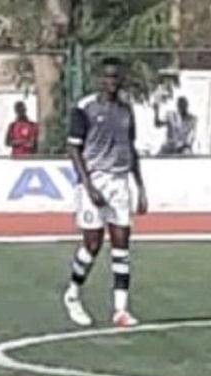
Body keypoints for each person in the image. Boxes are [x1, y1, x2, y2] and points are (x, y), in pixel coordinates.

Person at [62, 57, 148, 328]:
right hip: (94, 179)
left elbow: (131, 148)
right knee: (93, 243)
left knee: (122, 243)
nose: (112, 82)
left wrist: (141, 186)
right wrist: (88, 186)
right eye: (108, 77)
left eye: (116, 78)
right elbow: (74, 149)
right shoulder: (84, 108)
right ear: (100, 79)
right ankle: (73, 293)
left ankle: (120, 309)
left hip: (120, 179)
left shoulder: (125, 111)